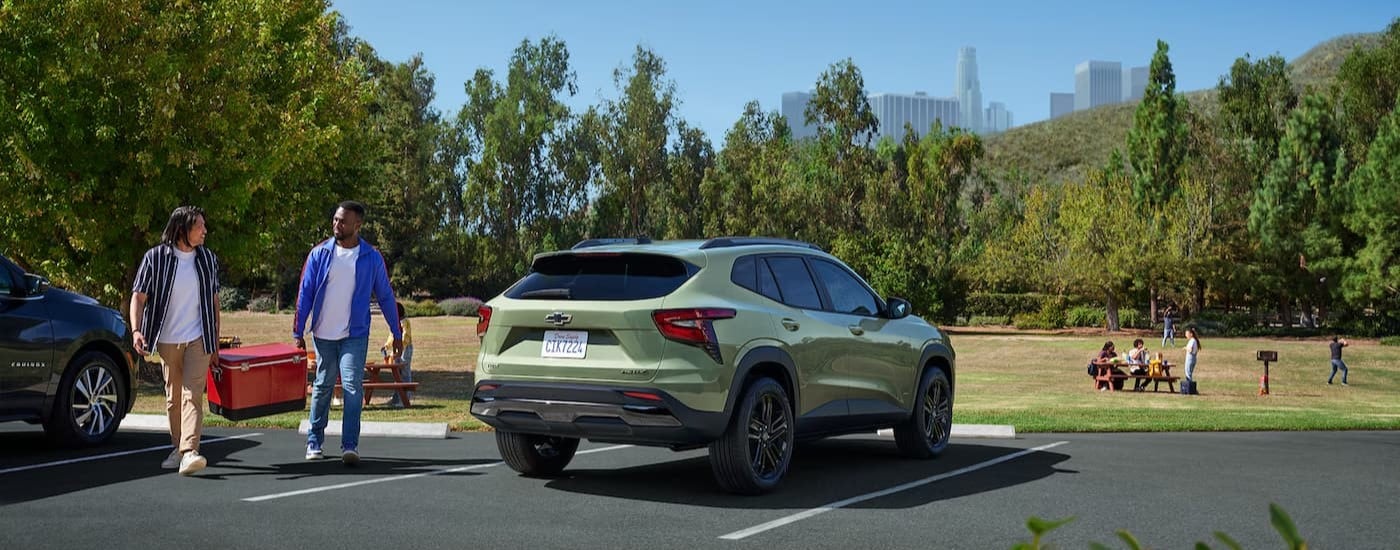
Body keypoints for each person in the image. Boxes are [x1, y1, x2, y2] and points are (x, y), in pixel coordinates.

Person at [293, 200, 402, 465]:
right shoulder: (319, 254)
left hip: (355, 333)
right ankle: (314, 441)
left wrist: (396, 330)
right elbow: (305, 293)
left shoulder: (371, 257)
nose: (336, 225)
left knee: (353, 387)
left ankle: (349, 445)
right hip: (323, 333)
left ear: (357, 225)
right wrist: (298, 332)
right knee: (323, 386)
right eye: (335, 219)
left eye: (342, 221)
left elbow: (386, 295)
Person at [130, 206, 221, 476]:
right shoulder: (155, 258)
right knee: (174, 397)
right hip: (167, 339)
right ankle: (178, 448)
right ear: (182, 229)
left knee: (192, 394)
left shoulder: (208, 259)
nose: (205, 231)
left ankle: (190, 451)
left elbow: (214, 303)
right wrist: (136, 330)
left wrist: (214, 341)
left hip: (199, 336)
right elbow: (138, 296)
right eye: (199, 226)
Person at [382, 301, 413, 408]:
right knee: (397, 374)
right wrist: (386, 346)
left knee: (405, 372)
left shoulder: (405, 322)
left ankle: (406, 398)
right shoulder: (395, 323)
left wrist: (399, 346)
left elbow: (405, 336)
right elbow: (392, 336)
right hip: (396, 350)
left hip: (405, 349)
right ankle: (396, 398)